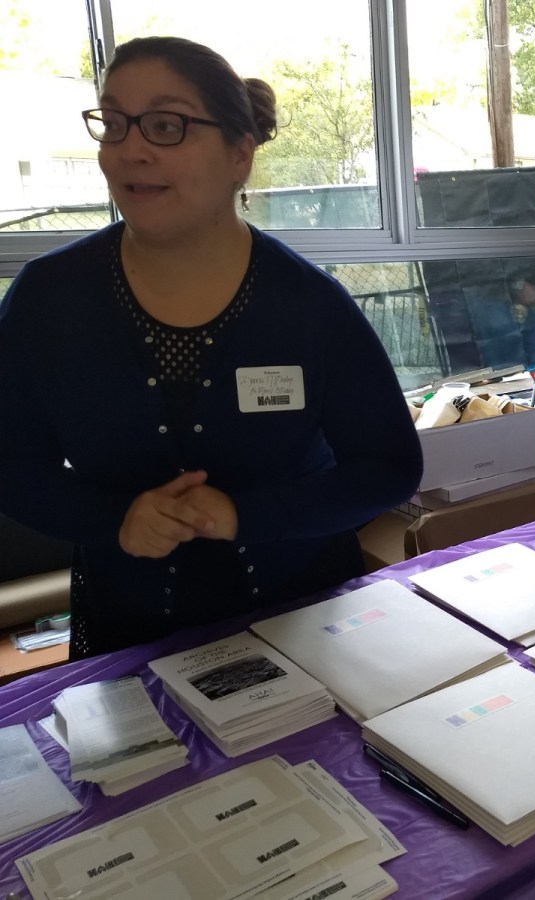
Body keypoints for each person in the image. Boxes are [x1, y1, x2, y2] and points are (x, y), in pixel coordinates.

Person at [0, 36, 423, 659]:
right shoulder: (47, 300)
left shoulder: (309, 304)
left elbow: (389, 467)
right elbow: (10, 466)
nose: (131, 150)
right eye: (114, 124)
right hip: (128, 632)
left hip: (304, 624)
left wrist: (245, 517)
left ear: (240, 154)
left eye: (166, 125)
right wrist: (113, 520)